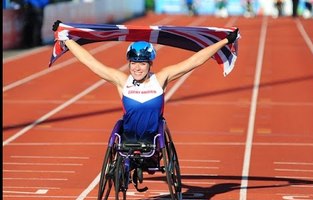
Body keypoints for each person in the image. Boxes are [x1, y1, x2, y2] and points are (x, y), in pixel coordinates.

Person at [52, 20, 239, 153]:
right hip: (128, 137)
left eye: (142, 63)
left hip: (153, 138)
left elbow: (194, 61)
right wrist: (66, 40)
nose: (137, 68)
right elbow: (91, 63)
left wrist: (224, 41)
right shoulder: (122, 81)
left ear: (150, 64)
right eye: (133, 63)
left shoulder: (161, 78)